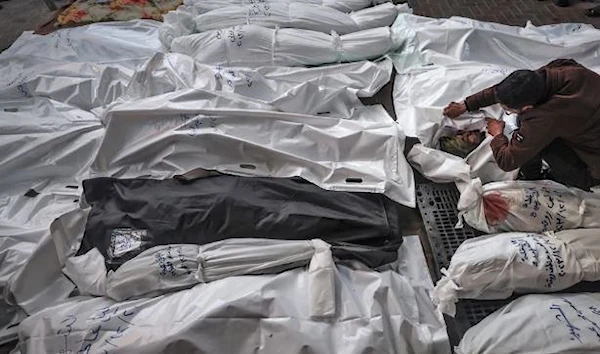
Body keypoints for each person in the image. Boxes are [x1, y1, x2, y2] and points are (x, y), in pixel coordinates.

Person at [443, 59, 600, 191]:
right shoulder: (559, 69)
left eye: (508, 110)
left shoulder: (547, 116)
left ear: (527, 108)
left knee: (529, 132)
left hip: (591, 169)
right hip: (588, 123)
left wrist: (497, 134)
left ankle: (533, 178)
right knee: (524, 125)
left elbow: (507, 161)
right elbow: (505, 90)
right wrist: (466, 105)